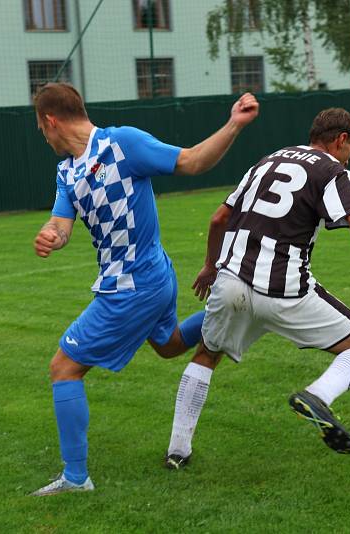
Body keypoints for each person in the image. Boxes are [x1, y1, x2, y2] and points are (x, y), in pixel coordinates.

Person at [164, 107, 350, 469]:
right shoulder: (333, 170)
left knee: (207, 356)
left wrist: (210, 267)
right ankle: (317, 396)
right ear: (340, 140)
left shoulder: (266, 161)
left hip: (230, 283)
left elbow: (219, 218)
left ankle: (177, 451)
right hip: (284, 291)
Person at [29, 83, 259, 495]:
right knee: (170, 344)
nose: (43, 138)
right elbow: (60, 226)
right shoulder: (67, 171)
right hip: (151, 278)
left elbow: (191, 161)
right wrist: (50, 235)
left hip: (132, 285)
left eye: (41, 129)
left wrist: (233, 125)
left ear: (50, 121)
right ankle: (235, 310)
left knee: (63, 367)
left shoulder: (122, 143)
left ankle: (76, 478)